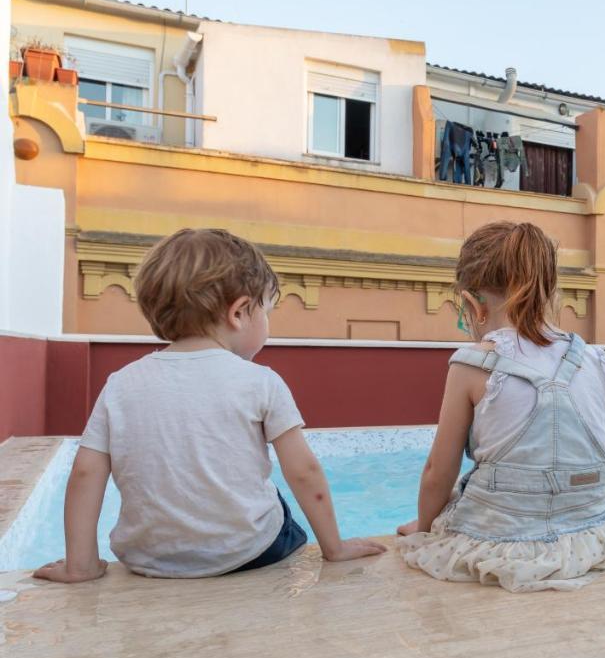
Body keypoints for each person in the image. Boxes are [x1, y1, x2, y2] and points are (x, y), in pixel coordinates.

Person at [33, 228, 385, 583]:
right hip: (250, 553)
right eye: (267, 311)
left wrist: (81, 564)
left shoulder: (121, 384)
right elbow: (303, 472)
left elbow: (85, 473)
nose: (267, 324)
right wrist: (334, 547)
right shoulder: (261, 382)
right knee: (274, 500)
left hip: (148, 556)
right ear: (239, 313)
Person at [397, 221, 605, 592]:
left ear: (472, 305)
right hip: (594, 527)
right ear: (551, 292)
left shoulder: (472, 363)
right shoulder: (593, 358)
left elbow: (438, 470)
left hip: (507, 535)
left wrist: (423, 529)